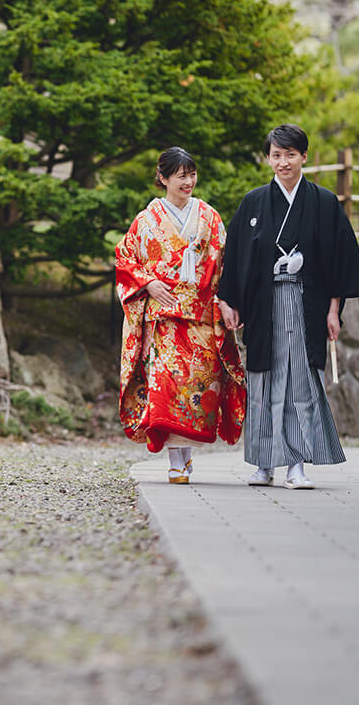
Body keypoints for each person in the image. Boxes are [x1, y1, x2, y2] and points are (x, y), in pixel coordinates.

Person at [216, 124, 359, 489]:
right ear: (267, 158)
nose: (282, 162)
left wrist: (334, 311)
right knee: (263, 382)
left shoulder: (324, 203)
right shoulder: (254, 202)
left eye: (289, 154)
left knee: (300, 383)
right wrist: (229, 301)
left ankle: (296, 464)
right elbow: (234, 257)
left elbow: (338, 261)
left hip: (306, 304)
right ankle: (263, 463)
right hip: (262, 306)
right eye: (276, 155)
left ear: (304, 156)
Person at [115, 147, 246, 484]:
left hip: (201, 315)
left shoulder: (209, 217)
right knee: (167, 388)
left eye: (192, 174)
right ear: (163, 178)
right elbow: (125, 260)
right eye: (181, 176)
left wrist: (229, 301)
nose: (188, 182)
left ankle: (185, 457)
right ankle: (176, 461)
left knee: (197, 389)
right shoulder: (146, 221)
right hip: (164, 321)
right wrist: (149, 283)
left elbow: (225, 265)